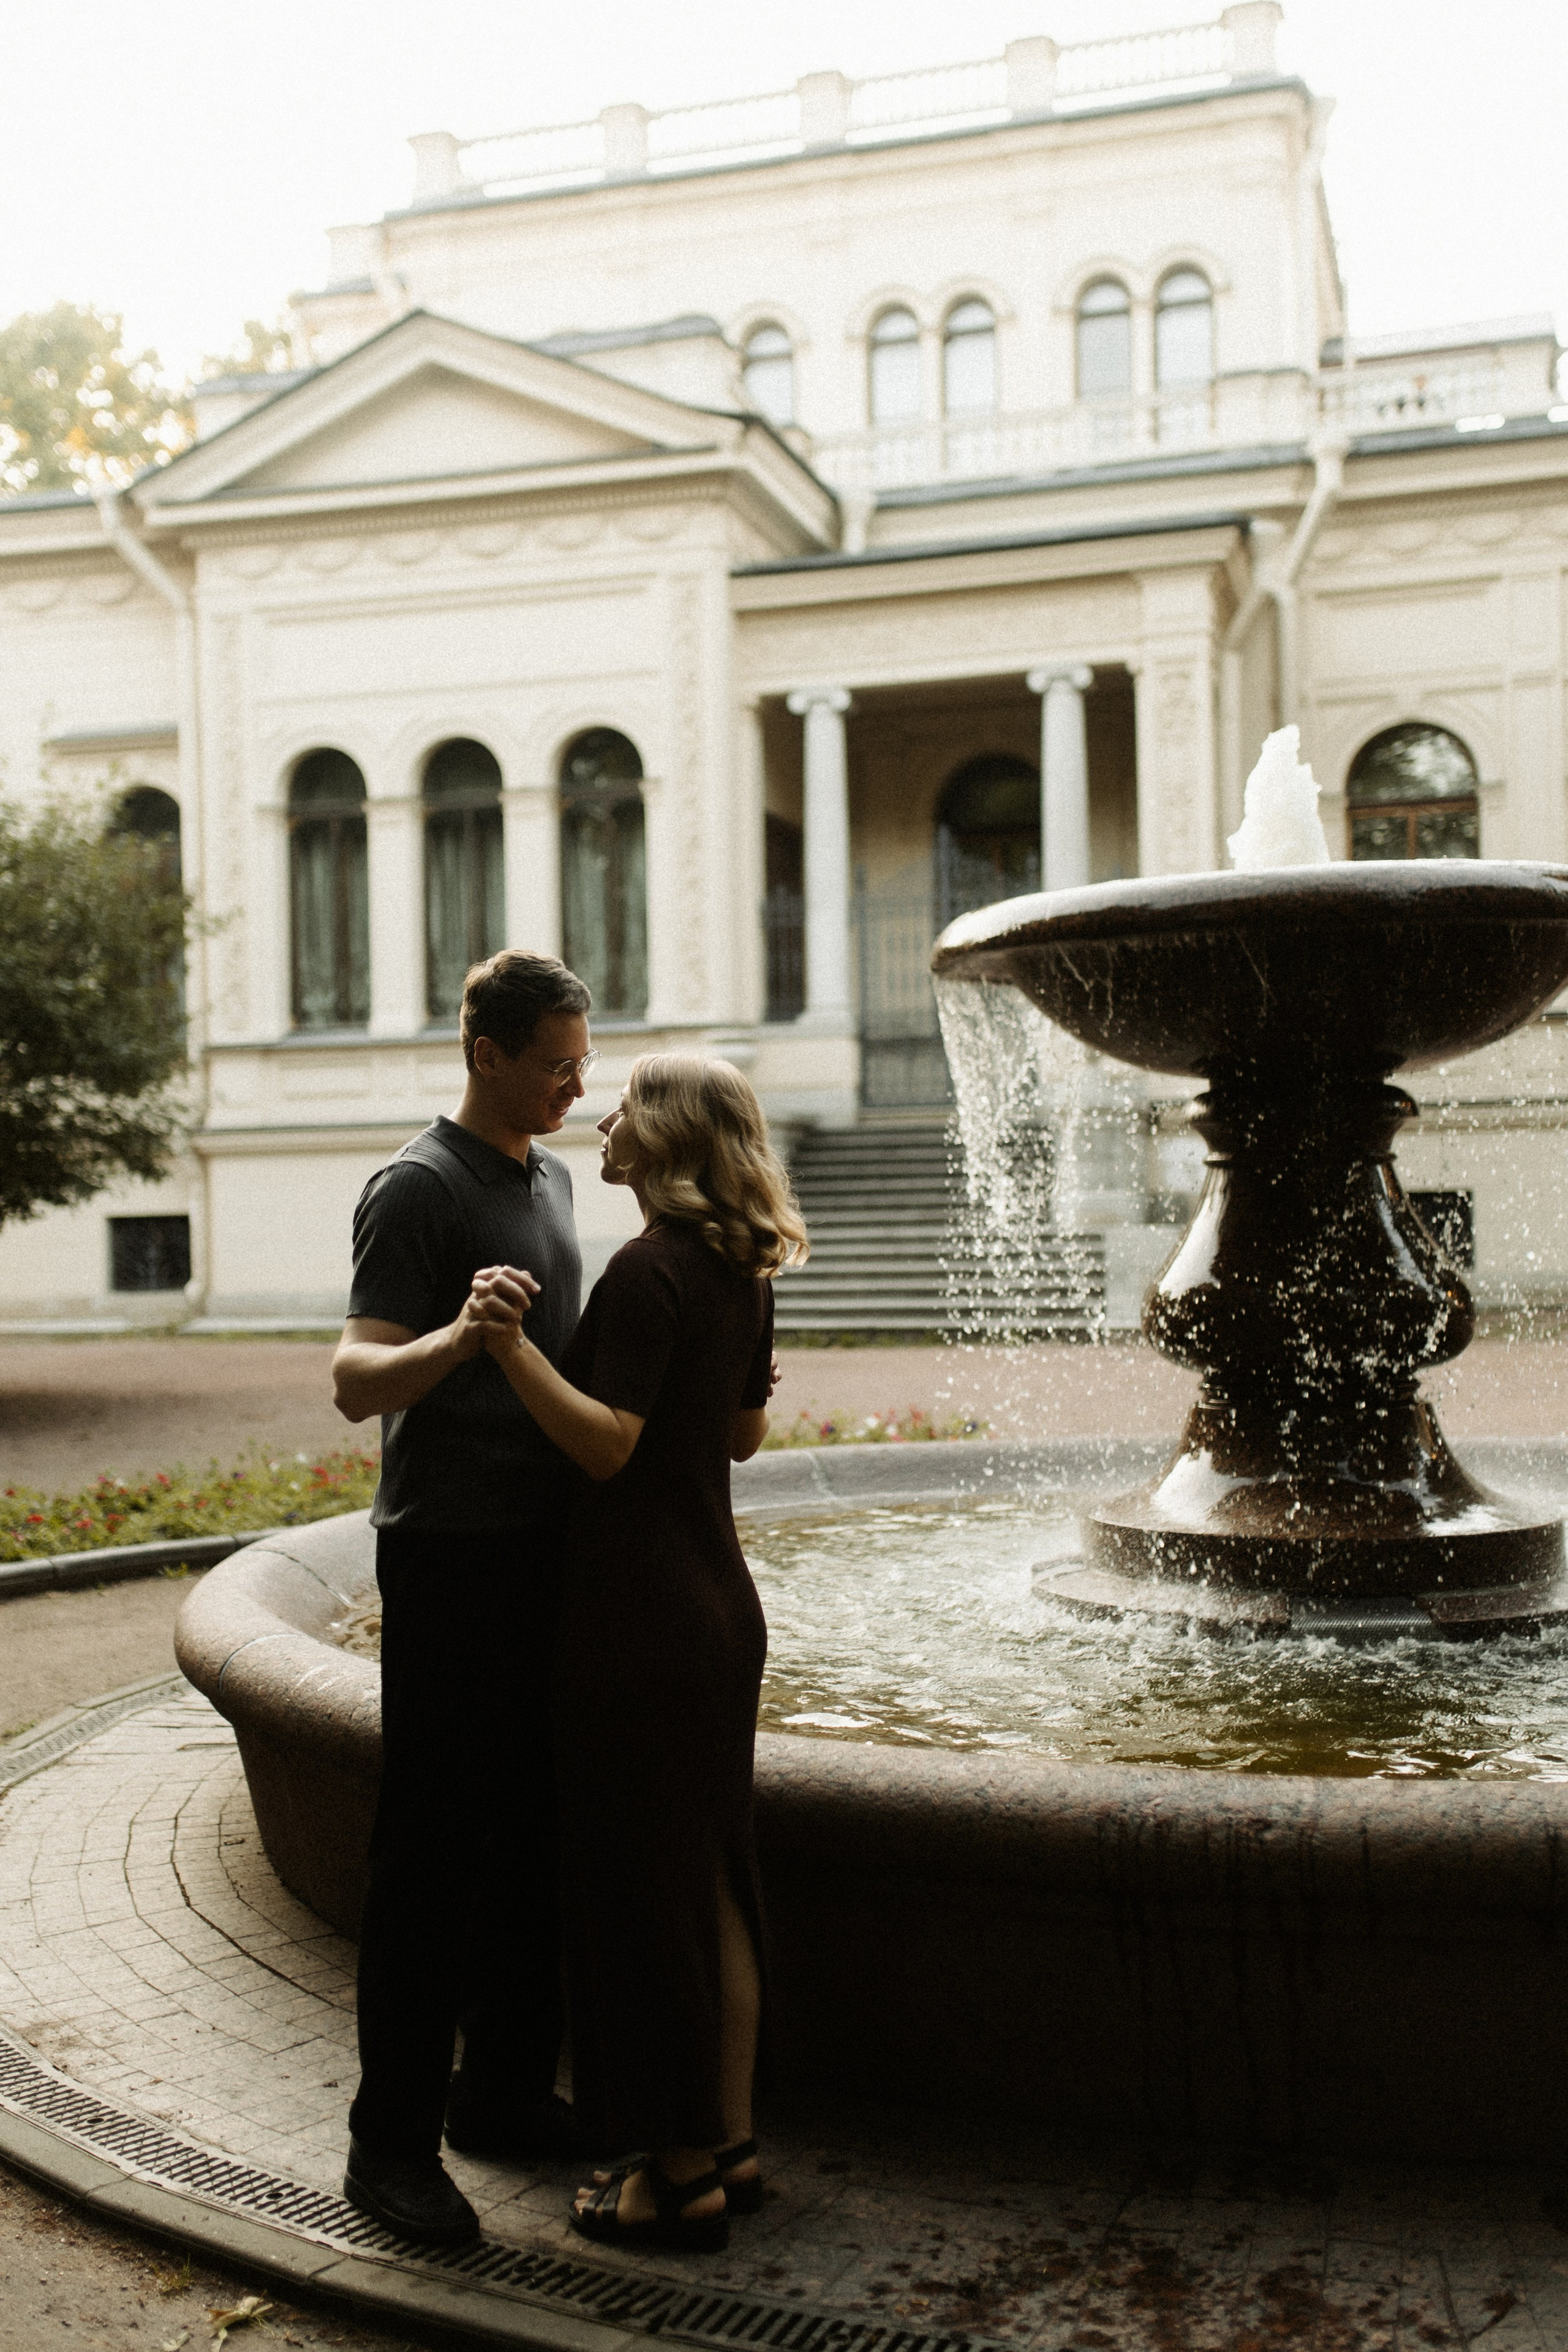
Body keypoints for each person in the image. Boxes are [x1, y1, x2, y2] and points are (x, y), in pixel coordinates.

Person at [466, 1052, 806, 2255]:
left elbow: (607, 1448)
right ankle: (729, 2143)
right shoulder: (738, 1265)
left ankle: (672, 2181)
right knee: (713, 1882)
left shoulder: (647, 1270)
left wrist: (508, 1347)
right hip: (719, 1604)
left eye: (623, 1106)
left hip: (634, 1616)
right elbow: (745, 1432)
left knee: (638, 1897)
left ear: (660, 1137)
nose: (603, 1119)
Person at [330, 949, 594, 2248]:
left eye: (579, 1063)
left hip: (541, 1553)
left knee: (531, 1835)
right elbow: (355, 1379)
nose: (572, 1084)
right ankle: (387, 2150)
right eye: (553, 1065)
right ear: (484, 1053)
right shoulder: (417, 1189)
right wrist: (462, 1336)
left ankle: (495, 2094)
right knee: (428, 1854)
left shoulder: (545, 1176)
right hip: (449, 1559)